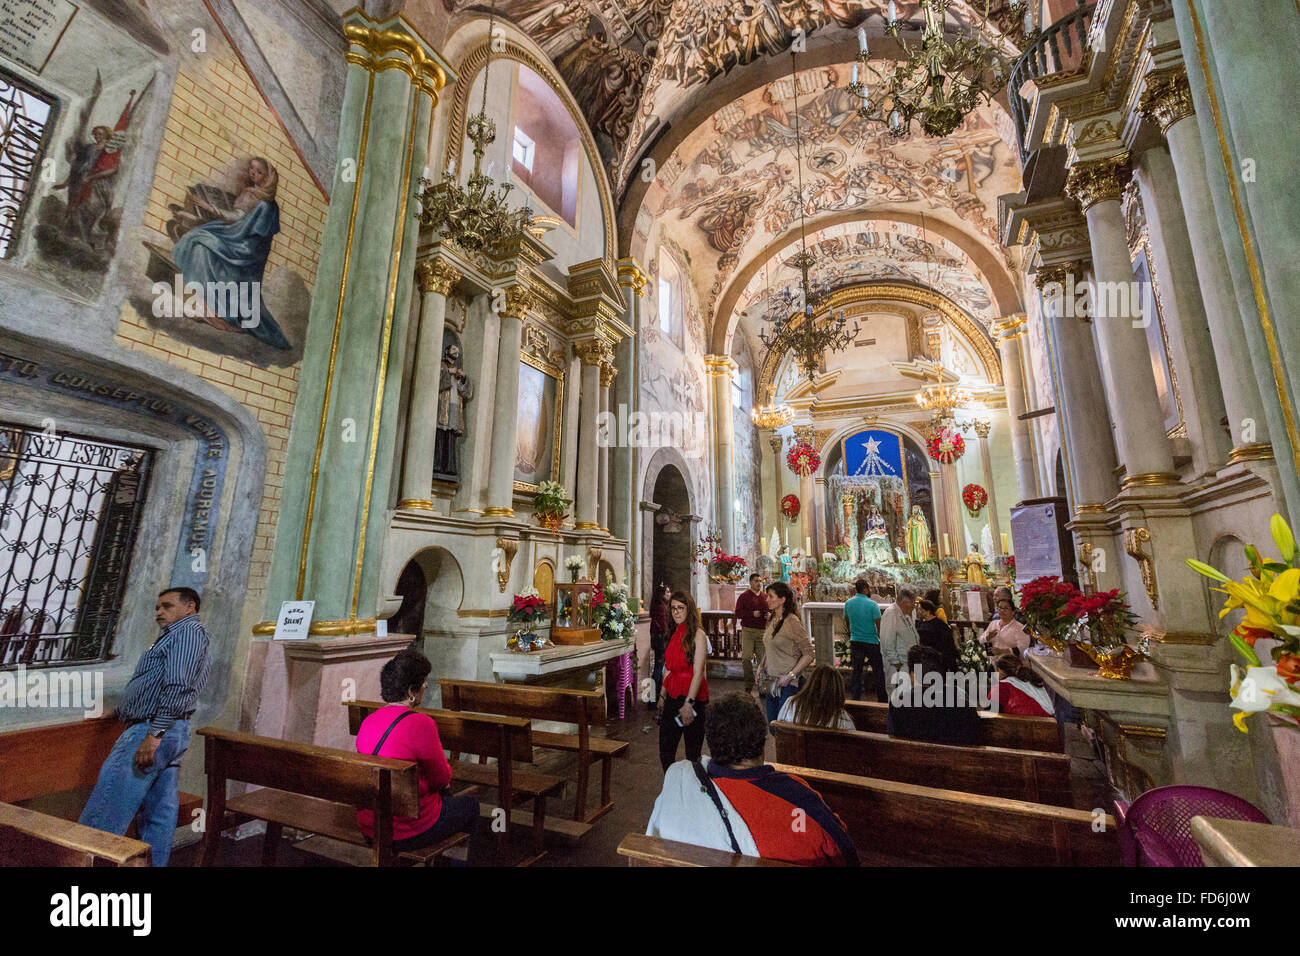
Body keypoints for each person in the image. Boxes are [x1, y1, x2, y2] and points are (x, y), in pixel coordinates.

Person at [78, 587, 211, 867]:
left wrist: (153, 735)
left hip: (154, 731)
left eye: (167, 606)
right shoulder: (179, 635)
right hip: (171, 730)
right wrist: (118, 712)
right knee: (158, 815)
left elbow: (177, 686)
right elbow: (154, 686)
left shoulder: (185, 633)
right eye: (157, 607)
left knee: (105, 813)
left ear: (190, 608)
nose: (158, 612)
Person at [646, 693, 859, 865]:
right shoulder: (797, 799)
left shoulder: (682, 787)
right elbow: (844, 852)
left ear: (710, 740)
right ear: (763, 741)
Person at [354, 648, 481, 862]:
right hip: (408, 828)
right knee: (471, 806)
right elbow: (442, 778)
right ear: (411, 691)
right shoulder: (421, 724)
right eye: (423, 682)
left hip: (370, 823)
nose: (426, 686)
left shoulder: (369, 721)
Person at [170, 157, 291, 349]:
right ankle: (202, 304)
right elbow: (238, 220)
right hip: (236, 237)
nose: (253, 174)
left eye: (259, 172)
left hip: (245, 249)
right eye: (252, 169)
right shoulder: (250, 193)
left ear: (268, 178)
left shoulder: (266, 203)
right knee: (196, 239)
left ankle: (218, 314)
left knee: (201, 245)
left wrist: (208, 207)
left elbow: (239, 221)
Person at [887, 644, 982, 746]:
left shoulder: (897, 704)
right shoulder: (962, 702)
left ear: (913, 674)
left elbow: (893, 737)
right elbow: (976, 738)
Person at [658, 590, 709, 770]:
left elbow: (698, 673)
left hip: (692, 699)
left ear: (689, 610)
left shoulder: (698, 635)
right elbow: (669, 668)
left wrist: (689, 703)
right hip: (673, 695)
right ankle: (672, 789)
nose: (676, 612)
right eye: (673, 608)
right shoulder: (673, 633)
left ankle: (692, 793)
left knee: (692, 753)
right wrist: (662, 695)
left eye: (680, 608)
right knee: (666, 749)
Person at [755, 581, 815, 728]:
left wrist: (791, 676)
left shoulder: (792, 622)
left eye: (770, 596)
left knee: (785, 729)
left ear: (782, 600)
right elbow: (769, 646)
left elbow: (809, 654)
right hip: (771, 681)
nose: (767, 599)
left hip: (787, 684)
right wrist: (760, 668)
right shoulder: (772, 619)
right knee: (773, 726)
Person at [777, 664, 855, 730]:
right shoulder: (842, 720)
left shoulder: (791, 703)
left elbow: (779, 728)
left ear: (811, 683)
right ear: (838, 690)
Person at [843, 578, 884, 702]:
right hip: (871, 641)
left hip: (856, 640)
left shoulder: (848, 603)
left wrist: (853, 634)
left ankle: (855, 698)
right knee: (878, 671)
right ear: (866, 589)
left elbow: (847, 621)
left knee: (857, 671)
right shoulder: (872, 605)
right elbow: (879, 625)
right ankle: (882, 698)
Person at [734, 573, 770, 696]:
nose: (759, 583)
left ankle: (762, 687)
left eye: (760, 581)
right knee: (746, 658)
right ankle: (749, 684)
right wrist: (751, 614)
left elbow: (772, 611)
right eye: (756, 581)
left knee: (762, 660)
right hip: (748, 630)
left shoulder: (766, 597)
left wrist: (769, 616)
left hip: (762, 631)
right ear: (750, 582)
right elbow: (738, 613)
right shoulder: (744, 597)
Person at [878, 588, 919, 696]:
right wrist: (895, 661)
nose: (914, 606)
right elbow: (886, 640)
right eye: (913, 603)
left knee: (906, 695)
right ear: (905, 603)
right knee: (897, 696)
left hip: (906, 662)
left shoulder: (904, 614)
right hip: (898, 664)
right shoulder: (891, 613)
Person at [992, 650, 1054, 717]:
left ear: (999, 670)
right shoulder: (1031, 679)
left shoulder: (1002, 686)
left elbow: (989, 713)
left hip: (1027, 725)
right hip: (1049, 723)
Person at [645, 584, 671, 709]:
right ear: (661, 594)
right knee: (659, 668)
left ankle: (654, 697)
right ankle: (653, 698)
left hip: (656, 638)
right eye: (667, 592)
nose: (669, 594)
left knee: (658, 667)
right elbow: (663, 625)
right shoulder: (661, 607)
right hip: (661, 640)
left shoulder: (656, 605)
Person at [916, 598, 958, 672]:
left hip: (936, 657)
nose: (918, 611)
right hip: (924, 656)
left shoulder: (939, 624)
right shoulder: (921, 622)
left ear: (928, 611)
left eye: (920, 609)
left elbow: (947, 642)